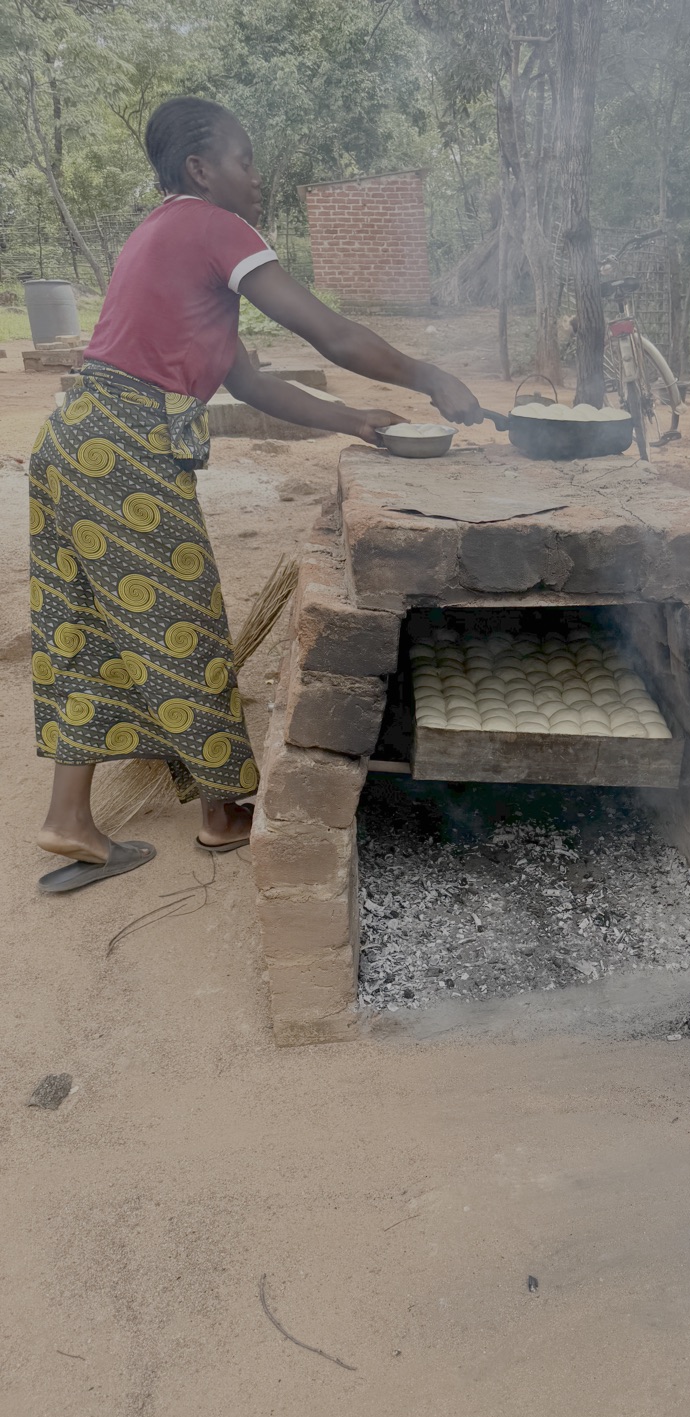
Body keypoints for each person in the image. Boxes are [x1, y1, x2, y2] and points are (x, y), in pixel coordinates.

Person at [28, 96, 483, 892]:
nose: (258, 176)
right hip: (129, 449)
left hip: (73, 442)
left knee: (85, 628)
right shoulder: (213, 226)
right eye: (245, 159)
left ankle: (70, 819)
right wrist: (429, 375)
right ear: (201, 169)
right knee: (185, 624)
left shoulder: (160, 235)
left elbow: (253, 381)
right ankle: (220, 811)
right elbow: (331, 334)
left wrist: (359, 421)